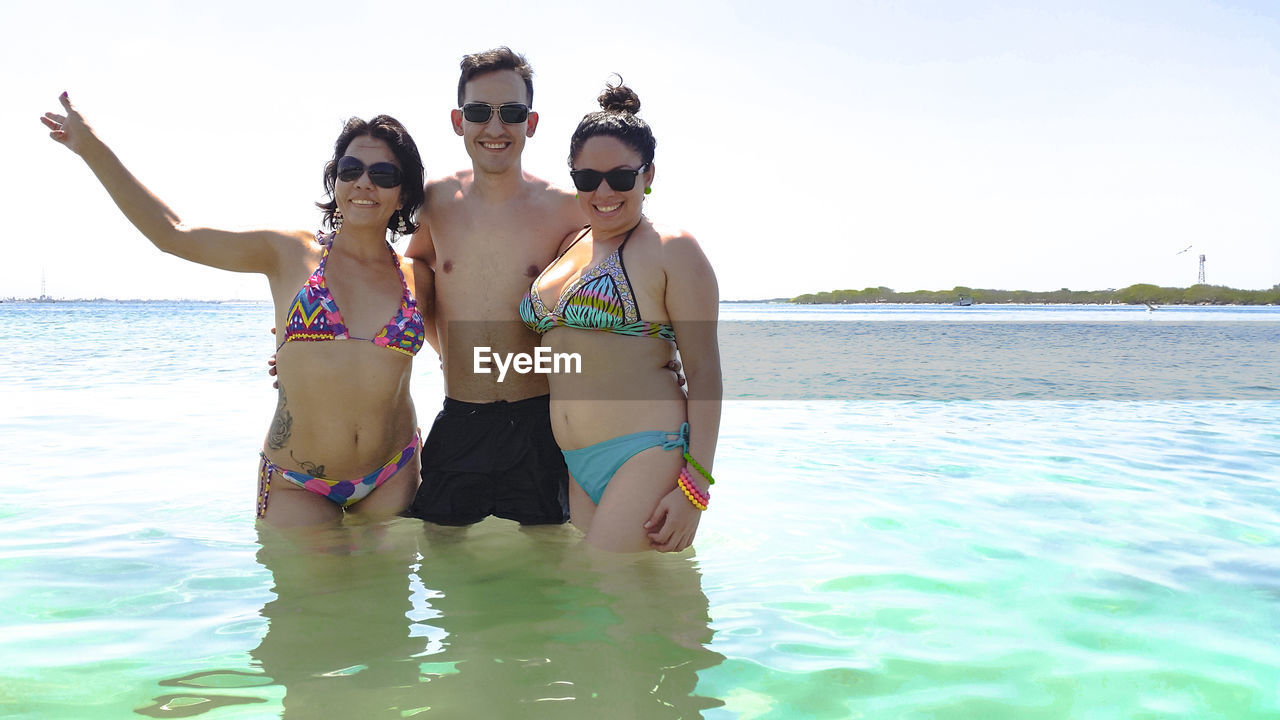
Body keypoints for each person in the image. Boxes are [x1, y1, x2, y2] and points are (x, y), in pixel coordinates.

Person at [42, 93, 428, 527]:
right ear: (334, 180)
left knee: (390, 596)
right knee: (309, 597)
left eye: (382, 173)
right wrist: (91, 146)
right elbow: (174, 234)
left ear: (404, 192)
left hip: (393, 472)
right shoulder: (287, 252)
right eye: (350, 169)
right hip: (297, 480)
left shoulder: (417, 276)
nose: (363, 183)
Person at [519, 81, 722, 552]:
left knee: (607, 581)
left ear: (648, 175)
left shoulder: (674, 250)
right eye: (587, 179)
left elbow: (706, 373)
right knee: (608, 608)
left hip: (647, 451)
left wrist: (695, 488)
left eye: (621, 178)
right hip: (577, 460)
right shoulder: (569, 247)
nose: (603, 191)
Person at [403, 48, 587, 527]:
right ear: (457, 120)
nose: (495, 127)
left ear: (532, 122)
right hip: (460, 416)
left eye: (512, 113)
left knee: (547, 571)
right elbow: (411, 267)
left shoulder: (567, 208)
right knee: (441, 568)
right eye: (480, 112)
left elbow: (620, 284)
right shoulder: (436, 200)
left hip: (540, 421)